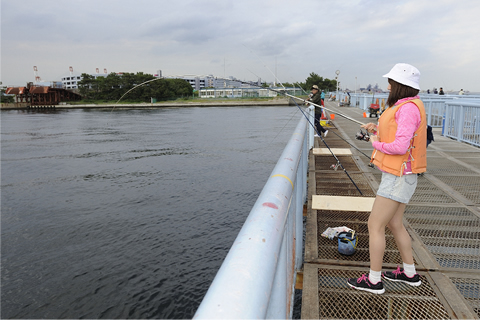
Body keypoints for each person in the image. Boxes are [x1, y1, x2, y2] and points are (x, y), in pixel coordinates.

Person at [347, 63, 426, 294]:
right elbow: (401, 134)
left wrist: (374, 143)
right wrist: (377, 129)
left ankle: (373, 280)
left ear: (399, 86)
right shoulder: (407, 106)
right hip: (402, 175)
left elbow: (401, 146)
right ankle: (409, 273)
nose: (388, 86)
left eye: (391, 83)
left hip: (398, 176)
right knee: (394, 223)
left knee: (375, 224)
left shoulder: (407, 108)